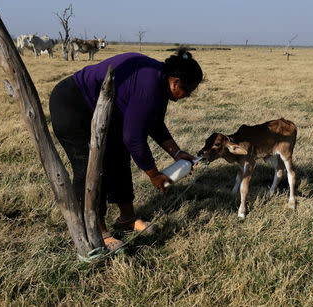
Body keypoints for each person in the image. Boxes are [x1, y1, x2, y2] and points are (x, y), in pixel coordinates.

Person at [49, 47, 203, 251]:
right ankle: (97, 231)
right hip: (72, 105)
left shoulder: (159, 83)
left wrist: (176, 153)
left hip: (104, 110)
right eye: (187, 91)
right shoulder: (150, 85)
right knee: (89, 167)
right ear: (175, 82)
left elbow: (154, 123)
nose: (186, 96)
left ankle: (127, 218)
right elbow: (134, 139)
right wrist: (154, 175)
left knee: (119, 156)